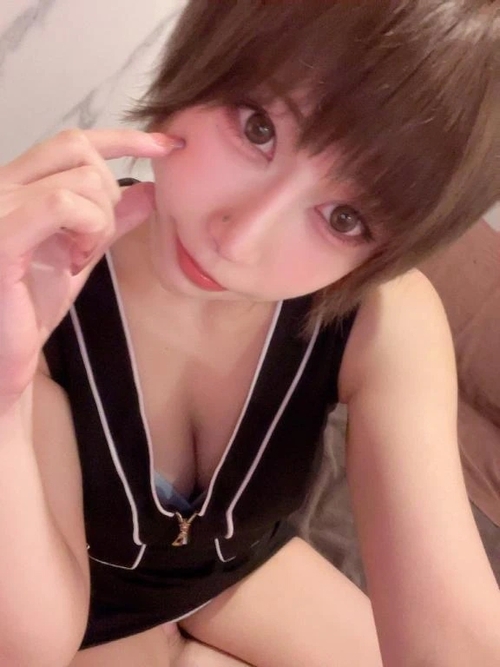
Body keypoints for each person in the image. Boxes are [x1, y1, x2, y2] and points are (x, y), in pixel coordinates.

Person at [1, 1, 499, 665]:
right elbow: (30, 643)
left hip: (234, 573)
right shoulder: (41, 280)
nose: (239, 240)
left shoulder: (381, 317)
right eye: (257, 127)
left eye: (344, 218)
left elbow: (454, 632)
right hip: (76, 593)